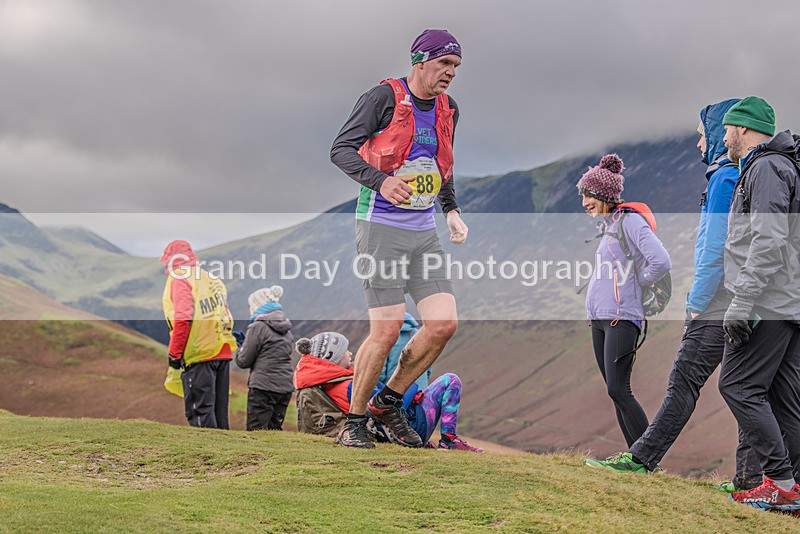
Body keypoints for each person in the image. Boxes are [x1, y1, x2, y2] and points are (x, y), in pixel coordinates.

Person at [583, 100, 761, 490]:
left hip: (719, 301)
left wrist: (696, 301)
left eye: (702, 135)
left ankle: (642, 458)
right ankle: (754, 480)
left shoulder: (725, 178)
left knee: (686, 380)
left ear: (721, 133)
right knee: (750, 389)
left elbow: (714, 246)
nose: (699, 144)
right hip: (750, 299)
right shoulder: (741, 174)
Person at [330, 29, 467, 448]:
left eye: (456, 67)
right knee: (386, 330)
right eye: (444, 63)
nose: (450, 73)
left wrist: (451, 211)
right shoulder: (383, 98)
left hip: (423, 232)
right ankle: (351, 425)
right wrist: (382, 182)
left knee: (443, 324)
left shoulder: (449, 109)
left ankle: (386, 403)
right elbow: (341, 149)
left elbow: (439, 166)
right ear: (420, 60)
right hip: (380, 229)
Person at [715, 96, 800, 511]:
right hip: (788, 302)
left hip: (767, 299)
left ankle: (782, 484)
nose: (724, 137)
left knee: (738, 385)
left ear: (744, 129)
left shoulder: (765, 167)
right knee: (785, 400)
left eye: (728, 129)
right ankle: (791, 488)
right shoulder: (784, 166)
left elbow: (768, 239)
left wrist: (743, 300)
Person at [576, 154, 671, 449]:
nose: (584, 203)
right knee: (614, 391)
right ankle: (635, 457)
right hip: (601, 318)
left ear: (604, 194)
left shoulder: (630, 222)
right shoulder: (608, 227)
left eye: (588, 195)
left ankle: (646, 457)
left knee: (620, 389)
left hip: (622, 316)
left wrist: (638, 280)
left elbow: (661, 261)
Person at [294, 332, 482, 451]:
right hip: (409, 427)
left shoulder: (334, 384)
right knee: (450, 380)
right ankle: (449, 440)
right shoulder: (351, 386)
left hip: (401, 428)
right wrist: (411, 388)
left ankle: (446, 441)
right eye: (345, 351)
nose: (350, 354)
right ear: (333, 357)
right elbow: (384, 409)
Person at [160, 240, 236, 429]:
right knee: (219, 414)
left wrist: (175, 354)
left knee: (201, 413)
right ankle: (227, 456)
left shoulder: (180, 278)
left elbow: (184, 318)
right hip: (222, 350)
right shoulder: (210, 278)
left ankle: (209, 457)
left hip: (199, 352)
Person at [234, 285, 295, 431]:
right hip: (285, 387)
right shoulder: (286, 328)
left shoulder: (257, 327)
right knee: (274, 430)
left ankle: (255, 455)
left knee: (257, 431)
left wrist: (240, 347)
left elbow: (243, 361)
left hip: (263, 387)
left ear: (257, 306)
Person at [379, 312, 430, 389]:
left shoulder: (386, 338)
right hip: (421, 391)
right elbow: (428, 368)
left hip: (394, 393)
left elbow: (380, 374)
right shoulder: (421, 335)